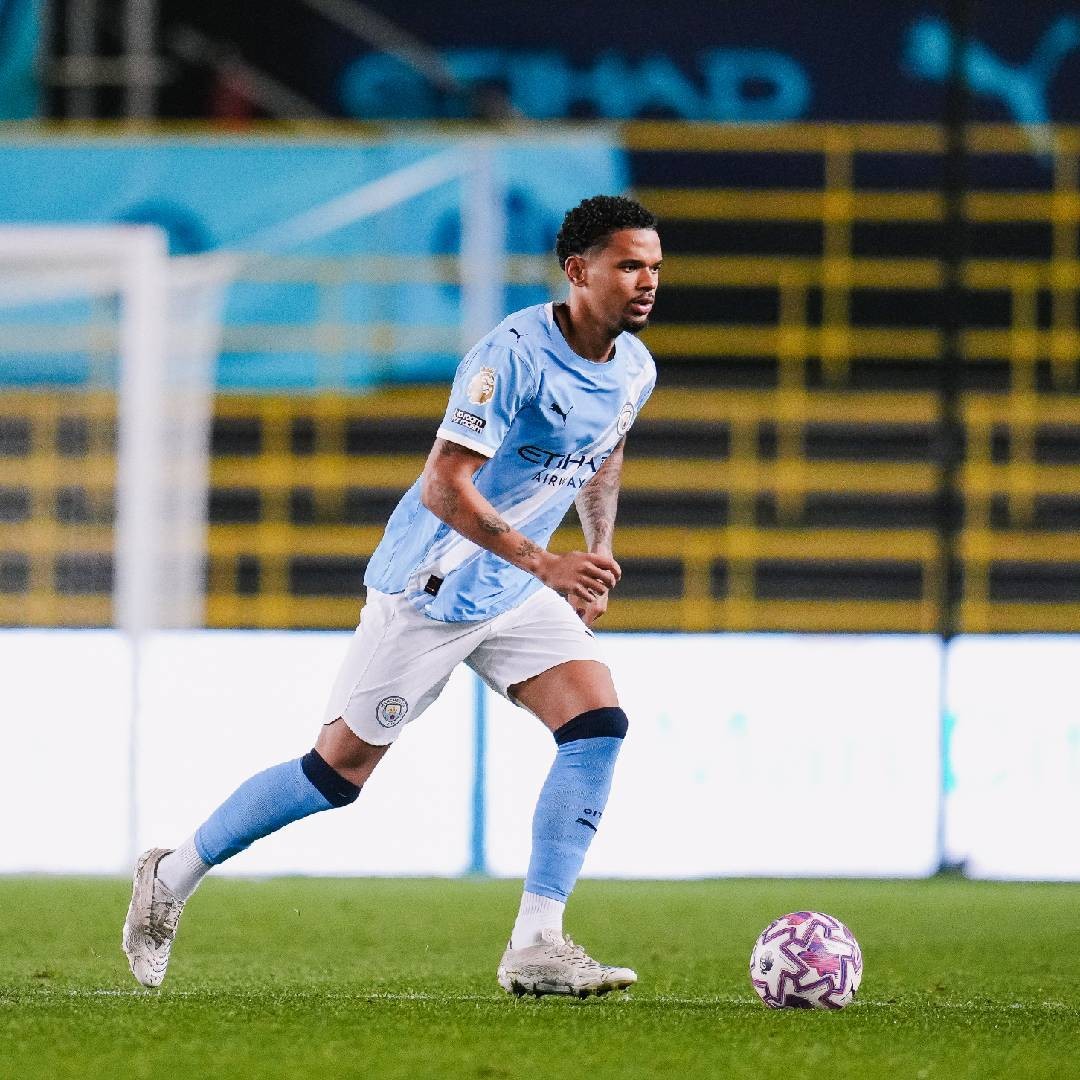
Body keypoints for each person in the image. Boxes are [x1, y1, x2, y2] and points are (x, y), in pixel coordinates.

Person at [122, 193, 662, 997]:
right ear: (579, 272)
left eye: (654, 267)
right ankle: (172, 873)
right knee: (334, 775)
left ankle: (537, 942)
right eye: (629, 266)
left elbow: (603, 447)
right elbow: (444, 486)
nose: (647, 281)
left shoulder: (635, 368)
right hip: (431, 586)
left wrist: (598, 545)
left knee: (596, 726)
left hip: (513, 587)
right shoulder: (510, 356)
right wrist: (545, 564)